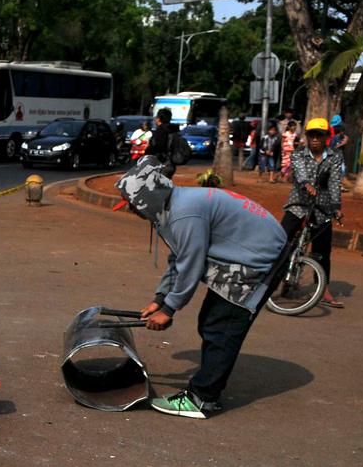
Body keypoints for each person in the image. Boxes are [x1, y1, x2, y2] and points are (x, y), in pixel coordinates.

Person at [114, 158, 287, 418]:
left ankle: (203, 399)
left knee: (221, 326)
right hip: (244, 252)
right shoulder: (173, 205)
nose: (131, 210)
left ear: (146, 199)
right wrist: (159, 299)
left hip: (259, 258)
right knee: (210, 321)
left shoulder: (185, 213)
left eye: (131, 204)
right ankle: (208, 386)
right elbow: (179, 258)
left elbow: (191, 265)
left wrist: (170, 309)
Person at [281, 118, 344, 308]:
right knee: (282, 240)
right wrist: (306, 183)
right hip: (298, 204)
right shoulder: (298, 155)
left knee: (323, 249)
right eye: (312, 135)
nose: (315, 139)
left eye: (320, 135)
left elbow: (334, 182)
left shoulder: (335, 156)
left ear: (326, 137)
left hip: (322, 207)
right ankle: (275, 278)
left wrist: (336, 207)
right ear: (307, 137)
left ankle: (323, 289)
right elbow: (299, 172)